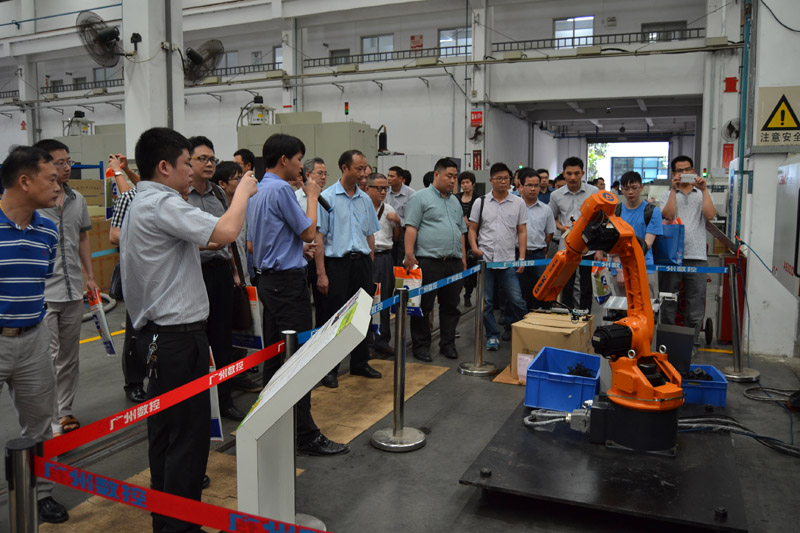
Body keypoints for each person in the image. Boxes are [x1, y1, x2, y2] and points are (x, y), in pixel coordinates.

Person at [121, 127, 257, 532]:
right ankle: (180, 526)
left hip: (157, 338)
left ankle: (166, 520)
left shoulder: (142, 202)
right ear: (164, 167)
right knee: (187, 439)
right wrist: (242, 193)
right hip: (177, 340)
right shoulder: (162, 203)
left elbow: (203, 242)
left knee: (166, 433)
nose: (192, 171)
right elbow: (226, 232)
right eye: (186, 164)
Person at [247, 133, 348, 456]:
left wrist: (292, 250)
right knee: (299, 359)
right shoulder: (281, 190)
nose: (300, 166)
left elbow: (264, 238)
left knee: (274, 356)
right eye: (298, 159)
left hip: (269, 281)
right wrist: (313, 197)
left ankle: (270, 424)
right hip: (287, 285)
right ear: (284, 160)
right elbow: (307, 230)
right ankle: (305, 434)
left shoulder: (259, 190)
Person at [0, 146, 69, 524]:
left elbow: (40, 279)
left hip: (33, 339)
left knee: (41, 421)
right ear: (24, 181)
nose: (58, 186)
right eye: (51, 179)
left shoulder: (48, 229)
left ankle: (41, 494)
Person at [186, 136, 259, 422]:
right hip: (194, 274)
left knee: (222, 338)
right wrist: (205, 246)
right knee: (196, 341)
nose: (209, 164)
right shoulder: (180, 196)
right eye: (202, 158)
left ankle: (224, 399)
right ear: (187, 161)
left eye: (212, 159)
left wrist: (235, 270)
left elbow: (228, 237)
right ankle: (198, 403)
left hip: (220, 273)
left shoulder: (217, 193)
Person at [35, 139, 97, 436]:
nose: (67, 167)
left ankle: (65, 410)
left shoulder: (78, 200)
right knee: (47, 357)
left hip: (73, 289)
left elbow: (82, 238)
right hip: (44, 292)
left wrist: (90, 276)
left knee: (69, 357)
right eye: (60, 163)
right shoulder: (34, 203)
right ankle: (47, 416)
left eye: (68, 161)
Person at [316, 149, 382, 388]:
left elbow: (370, 235)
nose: (364, 173)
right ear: (344, 168)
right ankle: (328, 369)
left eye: (365, 168)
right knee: (333, 317)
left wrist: (369, 264)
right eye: (359, 168)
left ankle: (360, 362)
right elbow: (319, 237)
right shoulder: (327, 197)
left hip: (361, 263)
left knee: (362, 314)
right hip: (337, 264)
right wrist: (321, 273)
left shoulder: (365, 199)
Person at [404, 158, 467, 361]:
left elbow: (461, 231)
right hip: (428, 261)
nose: (453, 181)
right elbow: (411, 227)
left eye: (455, 177)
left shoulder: (455, 201)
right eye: (449, 176)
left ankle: (448, 344)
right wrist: (409, 255)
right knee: (423, 306)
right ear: (437, 174)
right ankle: (421, 346)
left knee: (451, 306)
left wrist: (463, 258)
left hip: (453, 262)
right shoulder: (420, 198)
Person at [468, 162, 528, 349]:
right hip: (485, 260)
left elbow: (522, 231)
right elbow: (472, 228)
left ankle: (521, 332)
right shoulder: (481, 202)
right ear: (491, 180)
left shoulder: (518, 203)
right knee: (485, 302)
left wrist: (522, 258)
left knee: (516, 300)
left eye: (506, 178)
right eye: (499, 178)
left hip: (508, 260)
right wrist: (474, 248)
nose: (503, 182)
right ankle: (492, 335)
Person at [659, 155, 716, 347]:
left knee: (695, 302)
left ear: (693, 171)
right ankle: (668, 344)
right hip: (671, 256)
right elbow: (668, 215)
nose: (684, 173)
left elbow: (710, 215)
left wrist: (705, 189)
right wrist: (673, 190)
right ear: (673, 174)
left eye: (687, 170)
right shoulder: (667, 194)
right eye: (679, 170)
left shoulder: (702, 193)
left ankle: (691, 344)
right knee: (668, 301)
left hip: (697, 256)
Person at [109, 164, 147, 404]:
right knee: (136, 333)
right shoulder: (129, 197)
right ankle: (134, 383)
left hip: (164, 279)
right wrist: (148, 238)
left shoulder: (173, 199)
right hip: (138, 277)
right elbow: (114, 235)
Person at [548, 157, 600, 311]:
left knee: (586, 286)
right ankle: (567, 315)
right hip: (566, 247)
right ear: (563, 174)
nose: (572, 177)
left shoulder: (593, 192)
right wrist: (561, 227)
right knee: (566, 285)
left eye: (576, 173)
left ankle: (585, 316)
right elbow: (552, 218)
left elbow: (600, 220)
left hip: (588, 247)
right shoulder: (556, 195)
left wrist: (599, 249)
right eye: (569, 173)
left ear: (583, 173)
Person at [365, 172, 401, 356]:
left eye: (385, 188)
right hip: (366, 257)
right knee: (366, 301)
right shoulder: (361, 207)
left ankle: (382, 341)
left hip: (385, 257)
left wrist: (398, 222)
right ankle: (367, 344)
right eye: (378, 188)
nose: (382, 192)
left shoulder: (389, 209)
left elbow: (396, 238)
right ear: (367, 188)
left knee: (385, 300)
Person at [612, 171, 662, 297]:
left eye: (634, 188)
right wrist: (620, 269)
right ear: (621, 190)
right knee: (621, 306)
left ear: (641, 187)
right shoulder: (615, 212)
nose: (630, 192)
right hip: (619, 268)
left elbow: (647, 244)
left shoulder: (652, 211)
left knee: (646, 305)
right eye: (626, 189)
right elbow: (612, 244)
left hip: (644, 267)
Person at [517, 168, 555, 311]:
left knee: (540, 289)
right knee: (517, 290)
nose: (533, 189)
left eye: (536, 185)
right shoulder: (515, 207)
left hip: (538, 254)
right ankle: (515, 320)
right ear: (521, 186)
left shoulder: (546, 209)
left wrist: (542, 248)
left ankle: (538, 317)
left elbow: (549, 234)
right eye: (529, 185)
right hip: (517, 254)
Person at [298, 157, 328, 327]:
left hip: (322, 256)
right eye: (319, 173)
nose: (323, 177)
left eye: (325, 174)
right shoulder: (295, 198)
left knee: (323, 305)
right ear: (308, 175)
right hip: (302, 257)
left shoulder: (327, 198)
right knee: (302, 305)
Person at [386, 165, 415, 265]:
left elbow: (413, 217)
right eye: (388, 176)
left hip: (404, 231)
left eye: (392, 176)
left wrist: (399, 220)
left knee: (401, 260)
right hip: (388, 230)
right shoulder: (385, 192)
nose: (389, 179)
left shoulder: (411, 194)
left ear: (400, 179)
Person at [457, 171, 478, 306]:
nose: (465, 185)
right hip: (458, 236)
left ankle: (468, 294)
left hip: (472, 238)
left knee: (471, 267)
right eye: (462, 183)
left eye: (467, 182)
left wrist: (472, 223)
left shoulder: (479, 199)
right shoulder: (455, 198)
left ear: (473, 184)